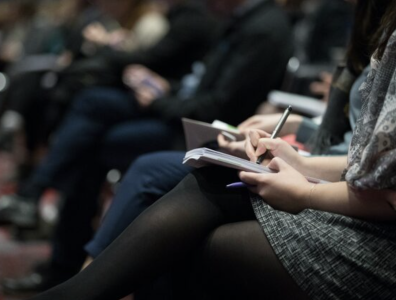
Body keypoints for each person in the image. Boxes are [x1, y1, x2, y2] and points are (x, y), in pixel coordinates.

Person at [24, 0, 396, 299]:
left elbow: (383, 185)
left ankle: (72, 274)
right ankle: (72, 276)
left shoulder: (260, 26)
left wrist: (307, 191)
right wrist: (298, 159)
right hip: (342, 185)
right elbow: (367, 161)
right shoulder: (377, 28)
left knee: (182, 224)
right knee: (196, 172)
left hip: (378, 242)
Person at [0, 0, 294, 294]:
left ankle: (74, 273)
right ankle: (68, 267)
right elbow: (200, 86)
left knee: (104, 145)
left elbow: (216, 106)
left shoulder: (259, 27)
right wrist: (165, 88)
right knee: (91, 109)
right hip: (188, 115)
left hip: (208, 134)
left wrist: (160, 100)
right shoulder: (240, 18)